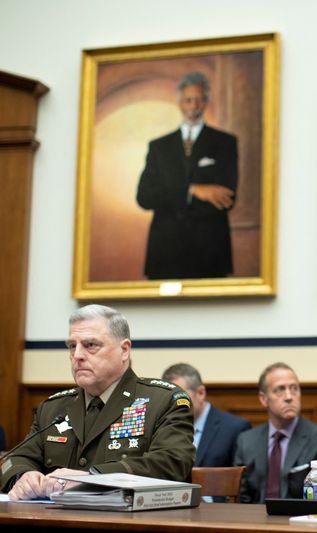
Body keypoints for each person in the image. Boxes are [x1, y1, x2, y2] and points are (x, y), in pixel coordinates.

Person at [0, 305, 194, 500]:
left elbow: (172, 462)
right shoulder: (52, 409)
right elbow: (16, 458)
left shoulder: (163, 401)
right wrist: (23, 476)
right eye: (72, 346)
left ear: (124, 350)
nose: (77, 356)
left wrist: (95, 478)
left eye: (90, 345)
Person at [136, 71, 238, 279]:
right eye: (188, 100)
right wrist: (194, 190)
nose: (194, 106)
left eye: (200, 100)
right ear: (179, 103)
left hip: (210, 253)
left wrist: (169, 196)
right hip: (165, 252)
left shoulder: (225, 143)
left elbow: (227, 198)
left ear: (207, 102)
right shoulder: (159, 147)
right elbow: (145, 197)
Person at [234, 363, 317, 502]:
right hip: (255, 520)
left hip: (300, 520)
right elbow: (240, 498)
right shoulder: (246, 441)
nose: (289, 397)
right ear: (263, 399)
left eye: (294, 388)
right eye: (280, 390)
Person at [162, 363, 250, 467]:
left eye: (179, 395)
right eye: (168, 397)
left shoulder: (234, 428)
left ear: (200, 393)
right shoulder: (163, 428)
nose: (173, 403)